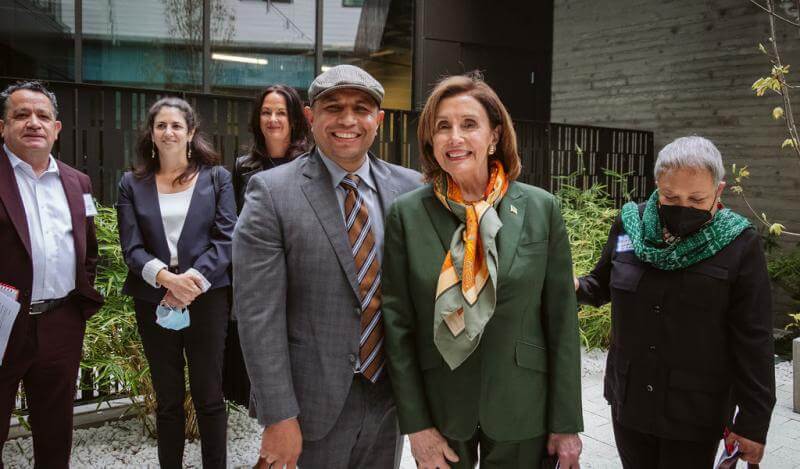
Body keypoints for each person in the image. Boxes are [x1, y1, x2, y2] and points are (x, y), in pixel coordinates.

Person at [382, 73, 583, 469]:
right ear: (431, 141)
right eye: (443, 127)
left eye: (469, 124)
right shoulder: (406, 215)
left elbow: (561, 320)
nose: (455, 137)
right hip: (442, 405)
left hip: (522, 404)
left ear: (494, 136)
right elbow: (398, 325)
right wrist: (417, 427)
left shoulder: (541, 209)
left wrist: (566, 424)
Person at [233, 64, 421, 469]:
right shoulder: (271, 192)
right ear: (310, 117)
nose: (348, 119)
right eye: (333, 107)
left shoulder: (412, 189)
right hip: (310, 406)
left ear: (379, 120)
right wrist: (278, 414)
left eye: (362, 108)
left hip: (390, 397)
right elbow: (257, 315)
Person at [575, 136, 776, 468]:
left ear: (719, 191)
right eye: (671, 196)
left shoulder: (740, 244)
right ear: (657, 185)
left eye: (697, 199)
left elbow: (754, 339)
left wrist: (754, 423)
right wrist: (571, 285)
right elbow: (600, 285)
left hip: (696, 410)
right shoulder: (631, 225)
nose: (684, 207)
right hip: (631, 398)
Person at [116, 97, 236, 469]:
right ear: (151, 134)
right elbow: (130, 247)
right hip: (154, 298)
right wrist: (166, 279)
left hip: (208, 299)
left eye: (176, 125)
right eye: (161, 125)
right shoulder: (131, 184)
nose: (169, 131)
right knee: (167, 398)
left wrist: (190, 283)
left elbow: (226, 237)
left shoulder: (217, 178)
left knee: (209, 395)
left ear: (191, 133)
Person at [0, 81, 104, 468]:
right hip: (2, 323)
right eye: (21, 115)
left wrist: (78, 306)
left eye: (42, 116)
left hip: (60, 322)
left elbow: (89, 250)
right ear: (3, 126)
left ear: (56, 128)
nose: (33, 123)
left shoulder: (78, 183)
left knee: (55, 431)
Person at [224, 85, 310, 407]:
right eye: (266, 112)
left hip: (299, 274)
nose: (273, 119)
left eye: (281, 112)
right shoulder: (244, 167)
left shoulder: (310, 164)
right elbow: (235, 223)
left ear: (294, 118)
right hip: (259, 276)